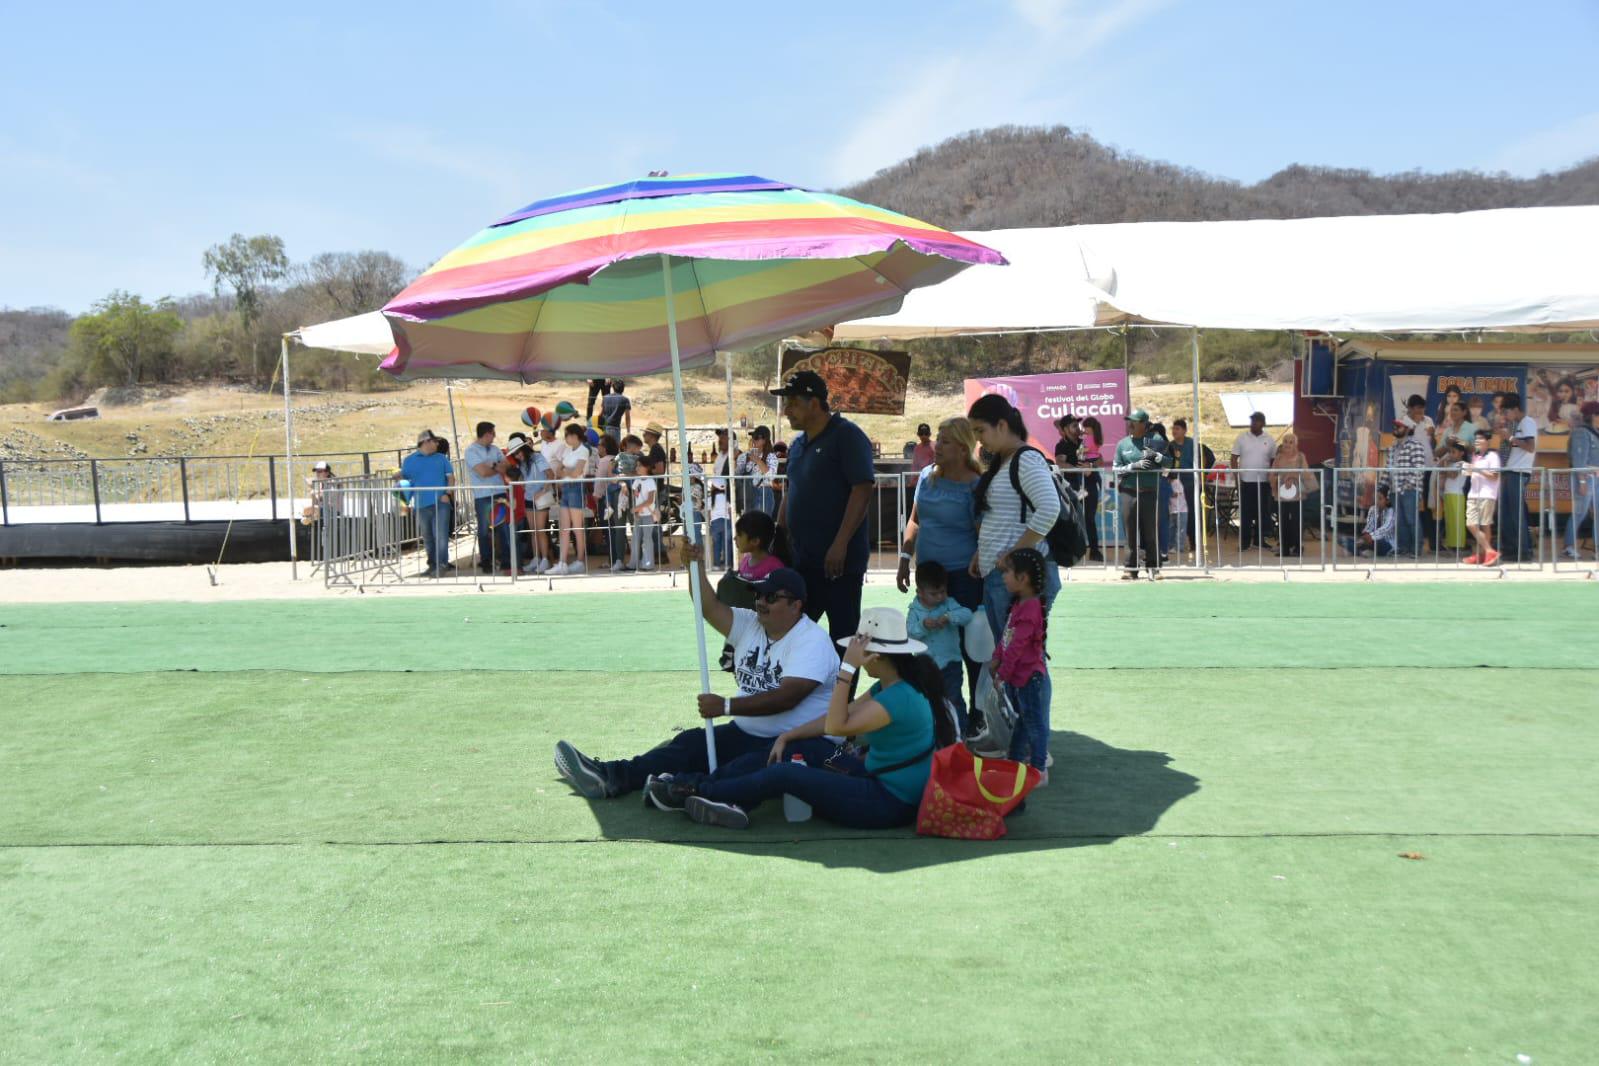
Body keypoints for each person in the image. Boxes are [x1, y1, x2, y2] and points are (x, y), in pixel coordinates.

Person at [554, 552, 840, 800]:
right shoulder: (750, 624)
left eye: (771, 597)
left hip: (800, 741)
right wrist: (696, 565)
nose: (760, 602)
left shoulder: (811, 641)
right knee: (689, 744)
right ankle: (611, 776)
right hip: (748, 732)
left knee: (748, 766)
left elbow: (786, 698)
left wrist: (726, 706)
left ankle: (686, 791)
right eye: (758, 594)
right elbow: (709, 606)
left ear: (796, 605)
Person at [647, 606, 951, 831]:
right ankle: (721, 793)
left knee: (786, 774)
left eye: (859, 648)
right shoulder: (891, 685)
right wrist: (788, 736)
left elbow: (837, 725)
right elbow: (838, 720)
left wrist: (847, 669)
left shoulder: (900, 698)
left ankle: (696, 790)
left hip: (886, 803)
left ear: (876, 656)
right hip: (872, 780)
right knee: (798, 748)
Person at [773, 370, 876, 640]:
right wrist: (779, 530)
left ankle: (843, 685)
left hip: (839, 564)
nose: (787, 411)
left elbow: (862, 489)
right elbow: (792, 488)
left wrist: (840, 543)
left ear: (814, 403)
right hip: (803, 560)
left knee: (843, 636)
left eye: (793, 403)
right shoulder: (797, 445)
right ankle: (804, 683)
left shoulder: (847, 436)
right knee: (795, 633)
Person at [895, 417, 984, 712]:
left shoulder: (976, 485)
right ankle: (933, 710)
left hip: (963, 578)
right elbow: (914, 520)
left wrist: (980, 558)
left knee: (969, 647)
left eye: (945, 441)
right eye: (939, 439)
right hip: (928, 577)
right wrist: (905, 559)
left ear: (962, 448)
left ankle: (977, 713)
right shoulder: (926, 476)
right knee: (929, 642)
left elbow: (982, 532)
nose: (937, 446)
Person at [994, 548, 1051, 778]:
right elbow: (1007, 637)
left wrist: (1002, 673)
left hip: (1027, 677)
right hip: (1018, 676)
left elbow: (1017, 646)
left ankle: (1038, 769)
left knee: (1033, 724)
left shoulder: (1030, 607)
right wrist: (997, 657)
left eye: (1007, 571)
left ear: (1023, 578)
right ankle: (1015, 762)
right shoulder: (1019, 603)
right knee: (1022, 722)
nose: (1003, 576)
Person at [906, 560, 974, 732]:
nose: (939, 597)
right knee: (926, 701)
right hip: (925, 666)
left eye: (942, 591)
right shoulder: (914, 611)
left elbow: (967, 615)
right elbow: (910, 634)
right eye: (933, 593)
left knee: (954, 700)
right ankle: (932, 734)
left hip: (950, 663)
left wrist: (949, 616)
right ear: (920, 592)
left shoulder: (949, 603)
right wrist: (923, 625)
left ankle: (961, 734)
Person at [1112, 408, 1171, 579]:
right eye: (1129, 421)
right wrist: (1132, 467)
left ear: (1144, 424)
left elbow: (1169, 464)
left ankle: (1153, 567)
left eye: (1134, 421)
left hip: (1150, 492)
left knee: (1150, 532)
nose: (1130, 424)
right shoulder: (1122, 444)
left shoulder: (1156, 439)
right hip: (1128, 492)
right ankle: (1130, 569)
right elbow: (1116, 469)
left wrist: (1157, 457)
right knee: (1130, 532)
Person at [464, 421, 511, 574]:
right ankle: (486, 562)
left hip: (499, 493)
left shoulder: (496, 449)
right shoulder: (471, 451)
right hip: (483, 495)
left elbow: (506, 466)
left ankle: (506, 561)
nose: (495, 437)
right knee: (485, 530)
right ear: (487, 434)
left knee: (503, 529)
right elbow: (481, 472)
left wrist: (492, 466)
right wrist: (496, 467)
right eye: (493, 433)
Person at [1496, 392, 1538, 562]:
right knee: (1505, 513)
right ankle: (1511, 548)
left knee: (1516, 514)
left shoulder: (1527, 423)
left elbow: (1530, 447)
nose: (1505, 416)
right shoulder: (1515, 423)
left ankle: (1524, 550)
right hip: (1509, 470)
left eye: (1506, 412)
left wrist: (1511, 437)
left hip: (1519, 472)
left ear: (1514, 409)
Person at [1232, 412, 1278, 552]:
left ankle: (1259, 540)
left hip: (1263, 482)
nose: (1253, 424)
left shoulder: (1269, 440)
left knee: (1262, 512)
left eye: (1256, 421)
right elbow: (1234, 458)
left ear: (1263, 423)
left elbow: (1273, 460)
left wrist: (1272, 477)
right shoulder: (1241, 438)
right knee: (1245, 512)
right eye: (1252, 421)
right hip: (1246, 481)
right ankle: (1244, 542)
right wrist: (1236, 477)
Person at [1166, 418, 1213, 554]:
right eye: (1173, 429)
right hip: (1174, 483)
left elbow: (1209, 458)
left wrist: (1203, 474)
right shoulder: (1170, 446)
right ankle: (1174, 543)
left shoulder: (1193, 444)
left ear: (1185, 430)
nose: (1175, 431)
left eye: (1178, 429)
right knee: (1175, 514)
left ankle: (1194, 542)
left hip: (1190, 483)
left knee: (1192, 512)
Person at [1385, 419, 1430, 558]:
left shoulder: (1415, 445)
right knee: (1400, 521)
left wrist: (1406, 485)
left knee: (1412, 520)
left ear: (1408, 428)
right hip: (1394, 489)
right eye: (1395, 426)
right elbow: (1387, 469)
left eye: (1399, 426)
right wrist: (1383, 487)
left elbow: (1419, 469)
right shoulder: (1392, 447)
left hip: (1410, 490)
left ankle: (1416, 549)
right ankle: (1403, 548)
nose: (1395, 428)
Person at [553, 422, 590, 575]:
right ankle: (562, 562)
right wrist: (568, 471)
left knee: (577, 526)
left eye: (567, 435)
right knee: (564, 527)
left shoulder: (583, 451)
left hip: (576, 488)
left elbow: (577, 472)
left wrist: (566, 471)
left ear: (574, 436)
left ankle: (580, 560)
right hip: (567, 488)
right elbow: (558, 469)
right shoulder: (568, 451)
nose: (566, 438)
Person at [1563, 401, 1599, 560]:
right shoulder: (1581, 432)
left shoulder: (1593, 432)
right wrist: (1582, 481)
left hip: (1595, 477)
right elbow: (1578, 459)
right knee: (1579, 512)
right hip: (1586, 478)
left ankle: (1596, 549)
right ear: (1592, 416)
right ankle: (1568, 546)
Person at [1271, 431, 1311, 557]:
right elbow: (1272, 473)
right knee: (1282, 521)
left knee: (1296, 521)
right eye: (1285, 442)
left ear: (1295, 444)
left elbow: (1306, 473)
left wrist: (1292, 476)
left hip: (1297, 494)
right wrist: (1275, 481)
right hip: (1282, 494)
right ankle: (1284, 548)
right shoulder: (1278, 457)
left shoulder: (1300, 456)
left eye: (1291, 442)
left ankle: (1298, 547)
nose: (1287, 444)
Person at [1464, 429, 1501, 566]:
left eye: (1480, 439)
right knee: (1470, 523)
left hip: (1487, 493)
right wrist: (1467, 470)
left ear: (1487, 441)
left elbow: (1494, 476)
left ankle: (1485, 554)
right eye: (1476, 439)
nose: (1477, 441)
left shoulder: (1493, 456)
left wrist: (1476, 469)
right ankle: (1489, 551)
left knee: (1485, 525)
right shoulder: (1475, 455)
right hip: (1473, 493)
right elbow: (1473, 472)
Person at [1078, 416, 1106, 562]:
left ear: (1091, 427)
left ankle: (1094, 550)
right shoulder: (1095, 438)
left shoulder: (1089, 438)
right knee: (1086, 519)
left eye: (1085, 427)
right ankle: (1090, 550)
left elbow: (1084, 452)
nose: (1083, 430)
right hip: (1084, 481)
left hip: (1089, 481)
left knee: (1088, 518)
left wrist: (1089, 465)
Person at [1340, 486, 1396, 557]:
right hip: (1371, 539)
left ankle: (1360, 551)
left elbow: (1385, 529)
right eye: (1376, 498)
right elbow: (1369, 526)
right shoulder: (1373, 509)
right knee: (1342, 539)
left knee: (1375, 543)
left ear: (1387, 500)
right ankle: (1363, 551)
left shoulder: (1391, 512)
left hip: (1386, 543)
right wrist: (1365, 535)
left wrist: (1370, 537)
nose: (1377, 501)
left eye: (1380, 499)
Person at [709, 428, 736, 570]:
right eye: (720, 437)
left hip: (728, 498)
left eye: (724, 437)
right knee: (719, 538)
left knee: (728, 536)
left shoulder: (734, 455)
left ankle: (729, 562)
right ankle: (719, 562)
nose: (720, 440)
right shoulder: (720, 455)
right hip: (718, 495)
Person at [1438, 438, 1470, 553]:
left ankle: (1459, 544)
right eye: (1450, 452)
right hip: (1448, 493)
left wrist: (1446, 466)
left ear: (1462, 453)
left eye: (1453, 452)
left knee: (1457, 520)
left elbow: (1453, 475)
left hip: (1457, 494)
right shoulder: (1450, 463)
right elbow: (1440, 470)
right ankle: (1451, 543)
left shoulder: (1464, 464)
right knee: (1450, 520)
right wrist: (1445, 462)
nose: (1451, 454)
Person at [735, 509, 784, 583]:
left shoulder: (775, 567)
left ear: (755, 541)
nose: (734, 538)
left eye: (739, 535)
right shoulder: (744, 562)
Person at [738, 426, 777, 516]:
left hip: (763, 493)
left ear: (764, 440)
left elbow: (771, 476)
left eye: (756, 438)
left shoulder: (771, 456)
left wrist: (757, 460)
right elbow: (737, 473)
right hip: (747, 494)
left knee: (761, 525)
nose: (753, 440)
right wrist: (744, 459)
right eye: (752, 437)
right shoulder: (745, 456)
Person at [631, 454, 659, 571]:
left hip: (648, 514)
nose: (637, 468)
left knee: (646, 539)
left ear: (647, 467)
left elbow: (650, 500)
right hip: (639, 514)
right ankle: (634, 563)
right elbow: (635, 495)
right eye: (636, 466)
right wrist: (637, 510)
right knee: (635, 538)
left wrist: (637, 508)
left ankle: (648, 563)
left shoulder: (650, 481)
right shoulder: (637, 480)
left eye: (639, 466)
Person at [1167, 471, 1189, 561]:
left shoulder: (1176, 482)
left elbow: (1177, 494)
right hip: (1173, 510)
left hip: (1181, 510)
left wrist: (1167, 493)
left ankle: (1179, 547)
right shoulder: (1170, 483)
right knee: (1172, 529)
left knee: (1180, 529)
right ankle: (1171, 546)